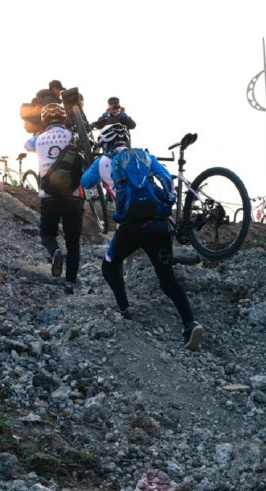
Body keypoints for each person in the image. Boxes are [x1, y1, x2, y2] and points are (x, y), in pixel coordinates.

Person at [80, 124, 204, 351]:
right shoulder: (145, 156)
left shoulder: (103, 162)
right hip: (158, 225)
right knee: (168, 281)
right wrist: (167, 202)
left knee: (109, 266)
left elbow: (85, 183)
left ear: (105, 143)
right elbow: (166, 179)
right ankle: (190, 323)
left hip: (129, 228)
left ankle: (124, 311)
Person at [24, 100, 84, 294]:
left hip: (48, 196)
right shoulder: (71, 135)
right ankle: (70, 283)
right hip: (73, 195)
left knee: (47, 234)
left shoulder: (39, 139)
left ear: (45, 120)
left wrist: (39, 133)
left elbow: (26, 145)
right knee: (73, 241)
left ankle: (55, 251)